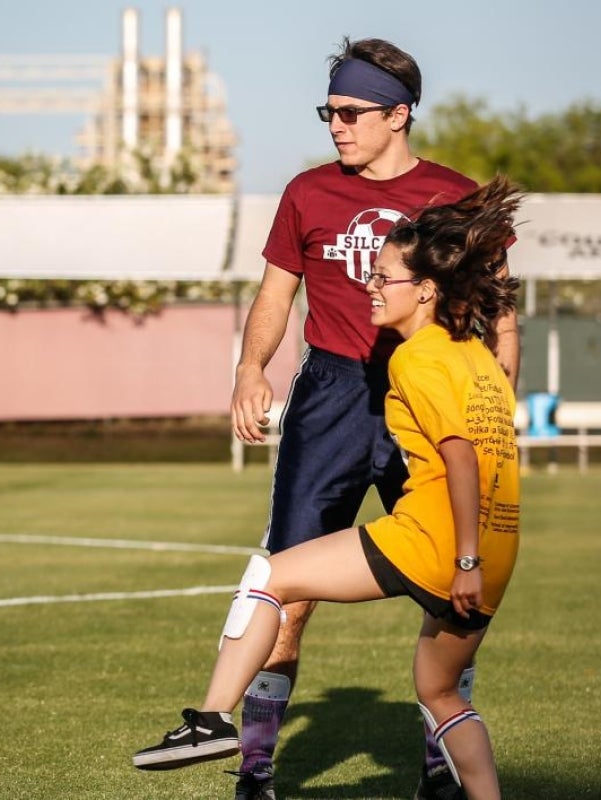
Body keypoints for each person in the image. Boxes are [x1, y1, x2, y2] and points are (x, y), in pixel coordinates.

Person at [132, 176, 524, 800]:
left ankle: (212, 722)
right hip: (499, 550)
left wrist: (463, 559)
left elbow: (459, 458)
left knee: (272, 577)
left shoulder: (416, 359)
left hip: (438, 543)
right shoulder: (479, 360)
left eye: (383, 275)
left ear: (425, 290)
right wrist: (479, 559)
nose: (368, 283)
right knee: (440, 691)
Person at [224, 37, 519, 800]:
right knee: (285, 593)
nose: (336, 126)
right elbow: (275, 294)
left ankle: (442, 775)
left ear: (400, 113)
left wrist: (498, 384)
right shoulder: (306, 193)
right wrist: (252, 369)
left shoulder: (455, 196)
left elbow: (502, 304)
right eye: (329, 111)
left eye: (352, 112)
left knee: (447, 597)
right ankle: (254, 773)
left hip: (425, 399)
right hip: (331, 397)